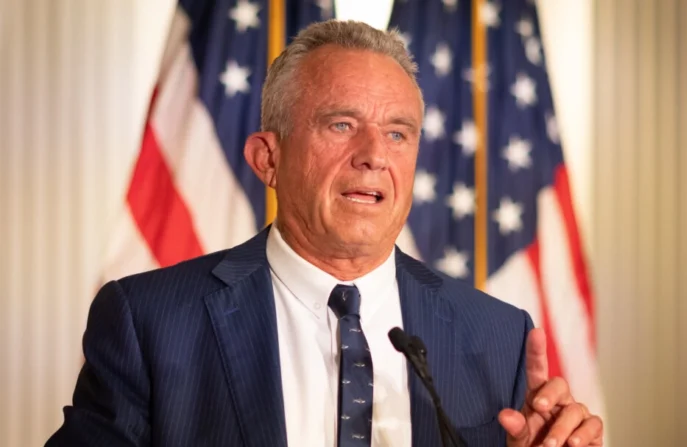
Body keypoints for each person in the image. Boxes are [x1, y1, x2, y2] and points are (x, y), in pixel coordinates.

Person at [47, 20, 603, 447]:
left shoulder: (499, 337)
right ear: (268, 157)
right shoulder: (150, 322)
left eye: (397, 133)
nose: (373, 157)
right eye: (340, 125)